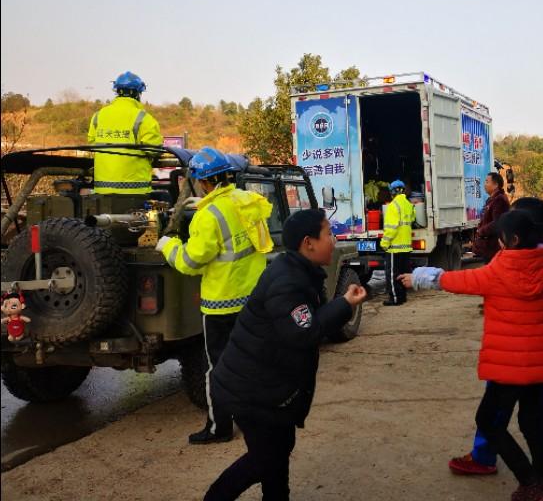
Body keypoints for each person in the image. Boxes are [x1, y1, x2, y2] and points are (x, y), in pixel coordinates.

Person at [401, 210, 543, 501]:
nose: (499, 244)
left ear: (513, 240)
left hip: (510, 366)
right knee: (532, 423)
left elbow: (459, 281)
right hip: (540, 365)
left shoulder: (497, 270)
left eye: (501, 239)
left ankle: (532, 482)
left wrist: (419, 278)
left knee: (489, 421)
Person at [205, 209, 368, 501]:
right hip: (251, 391)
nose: (334, 240)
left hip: (267, 388)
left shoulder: (299, 271)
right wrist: (344, 304)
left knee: (278, 449)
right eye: (328, 233)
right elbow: (304, 332)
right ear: (309, 243)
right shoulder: (287, 282)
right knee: (265, 458)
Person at [156, 147, 273, 445]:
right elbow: (258, 245)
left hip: (221, 306)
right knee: (252, 361)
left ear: (203, 182)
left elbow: (191, 262)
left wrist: (167, 245)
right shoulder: (248, 201)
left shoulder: (207, 217)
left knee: (219, 369)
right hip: (253, 301)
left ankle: (219, 428)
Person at [449, 197, 543, 479]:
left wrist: (428, 277)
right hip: (539, 357)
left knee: (492, 416)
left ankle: (489, 458)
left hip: (508, 352)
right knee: (537, 414)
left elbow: (467, 281)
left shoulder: (502, 266)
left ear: (513, 238)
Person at [87, 71, 163, 194]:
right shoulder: (144, 118)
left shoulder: (98, 116)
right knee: (165, 200)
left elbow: (92, 143)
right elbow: (154, 150)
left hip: (101, 189)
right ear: (138, 94)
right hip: (135, 190)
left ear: (117, 92)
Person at [381, 179, 416, 306]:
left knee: (392, 275)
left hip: (394, 247)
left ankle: (395, 299)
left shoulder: (392, 206)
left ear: (392, 192)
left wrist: (384, 244)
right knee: (403, 274)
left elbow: (391, 228)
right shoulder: (408, 204)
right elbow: (412, 219)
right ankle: (403, 297)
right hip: (406, 246)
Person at [473, 172, 511, 262]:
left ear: (495, 185)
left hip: (495, 249)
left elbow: (498, 223)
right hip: (489, 249)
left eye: (487, 182)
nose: (484, 184)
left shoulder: (499, 200)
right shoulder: (492, 199)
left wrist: (481, 231)